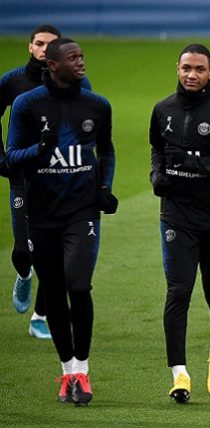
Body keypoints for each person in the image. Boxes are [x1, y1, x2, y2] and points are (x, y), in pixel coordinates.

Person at [6, 37, 118, 406]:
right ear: (52, 65)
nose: (81, 62)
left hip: (82, 210)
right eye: (73, 58)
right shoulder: (27, 105)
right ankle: (67, 369)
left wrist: (104, 186)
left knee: (79, 285)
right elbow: (9, 159)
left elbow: (107, 149)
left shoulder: (97, 105)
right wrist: (39, 149)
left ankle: (83, 371)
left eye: (82, 56)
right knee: (53, 292)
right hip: (41, 213)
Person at [149, 44, 210, 403]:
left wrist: (198, 165)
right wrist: (156, 174)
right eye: (187, 68)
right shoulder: (162, 110)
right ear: (177, 68)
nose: (192, 74)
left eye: (200, 69)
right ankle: (179, 374)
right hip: (177, 214)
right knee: (178, 291)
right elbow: (157, 149)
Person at [0, 24, 91, 340]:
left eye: (51, 45)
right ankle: (24, 275)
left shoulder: (78, 83)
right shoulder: (13, 82)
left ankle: (41, 316)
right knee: (25, 251)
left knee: (57, 254)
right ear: (30, 47)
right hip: (23, 176)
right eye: (39, 44)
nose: (44, 49)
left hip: (61, 181)